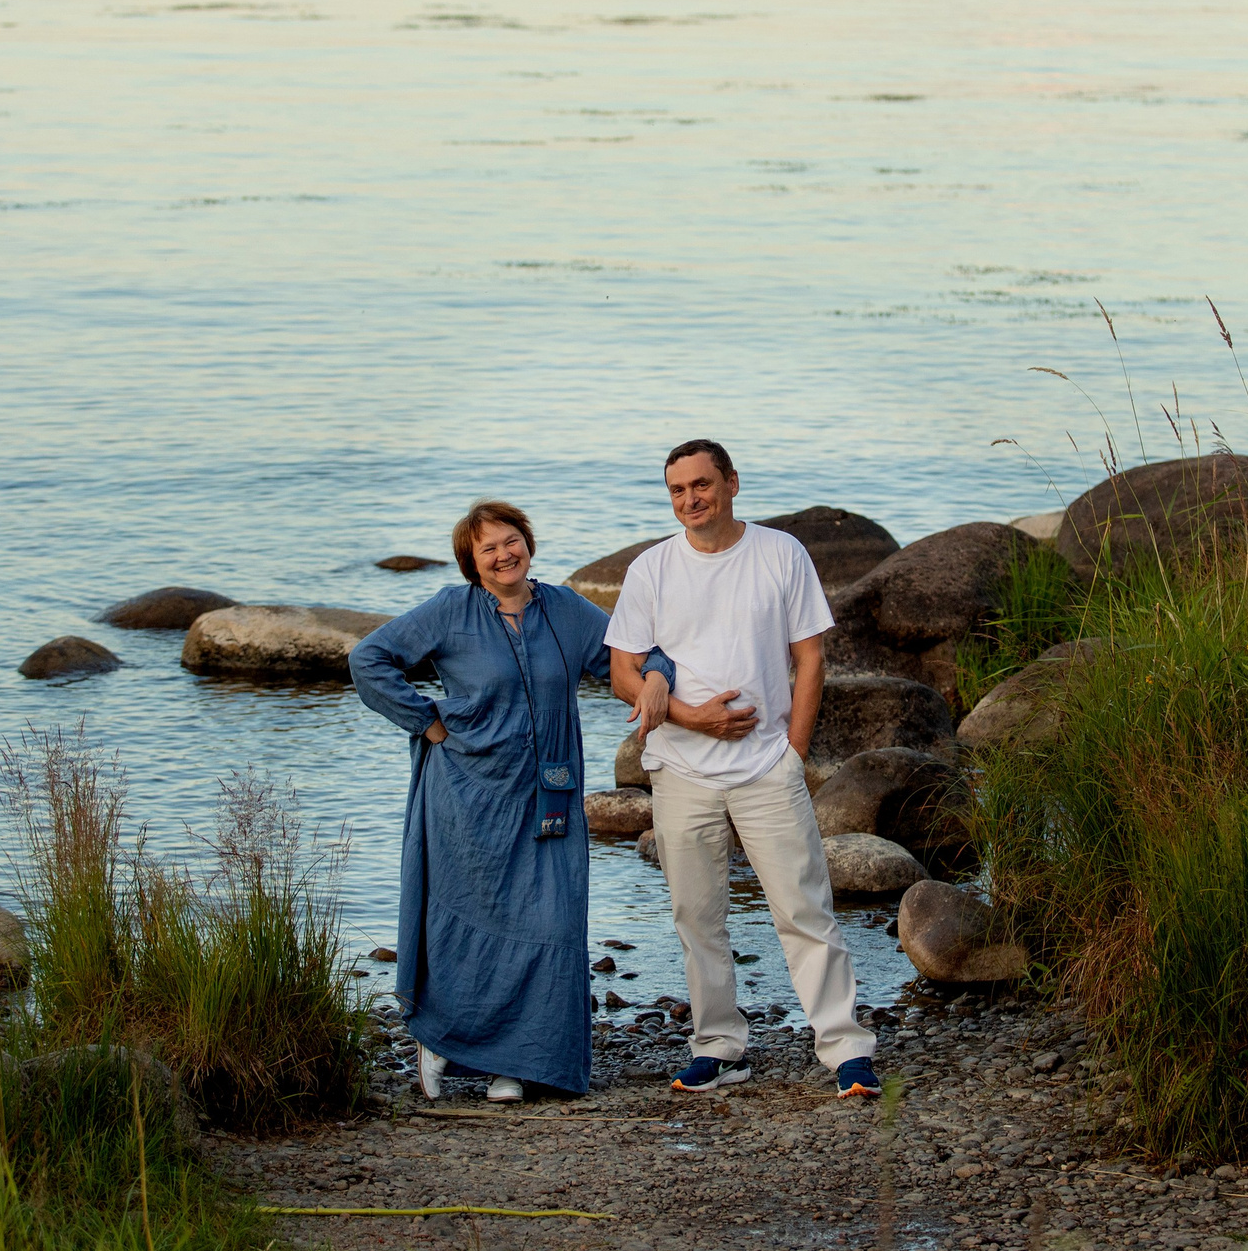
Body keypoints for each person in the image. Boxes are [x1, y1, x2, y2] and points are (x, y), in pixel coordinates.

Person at [351, 498, 673, 1103]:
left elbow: (627, 656)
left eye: (510, 540)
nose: (503, 554)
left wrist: (656, 675)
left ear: (528, 541)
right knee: (465, 920)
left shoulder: (566, 611)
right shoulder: (450, 611)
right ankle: (442, 1041)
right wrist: (427, 723)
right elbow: (368, 659)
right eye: (487, 549)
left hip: (548, 793)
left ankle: (518, 1063)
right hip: (467, 792)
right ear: (471, 563)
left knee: (550, 919)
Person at [606, 438, 882, 1100]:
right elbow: (622, 671)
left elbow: (809, 658)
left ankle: (846, 1048)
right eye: (677, 490)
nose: (690, 499)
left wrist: (793, 749)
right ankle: (720, 1047)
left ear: (731, 482)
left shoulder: (780, 554)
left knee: (803, 907)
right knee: (697, 914)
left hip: (766, 767)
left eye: (701, 484)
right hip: (681, 769)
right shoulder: (651, 569)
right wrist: (693, 718)